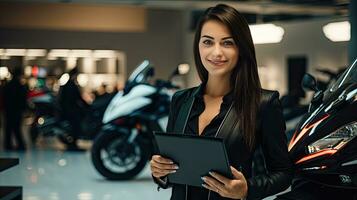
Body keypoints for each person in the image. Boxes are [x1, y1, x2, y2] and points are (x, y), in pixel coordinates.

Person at [150, 4, 293, 200]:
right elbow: (170, 168)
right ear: (198, 46)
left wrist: (247, 189)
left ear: (241, 48)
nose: (216, 53)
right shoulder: (181, 100)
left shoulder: (263, 103)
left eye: (227, 43)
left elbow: (283, 173)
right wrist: (159, 172)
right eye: (208, 42)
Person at [58, 67, 89, 150]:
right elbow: (78, 98)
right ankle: (73, 144)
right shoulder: (72, 85)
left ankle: (72, 143)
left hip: (68, 110)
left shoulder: (66, 85)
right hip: (72, 111)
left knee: (73, 127)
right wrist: (88, 106)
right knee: (75, 127)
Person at [3, 67, 28, 150]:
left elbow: (4, 98)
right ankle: (20, 145)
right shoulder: (20, 86)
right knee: (17, 128)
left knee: (8, 128)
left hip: (8, 110)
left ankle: (8, 145)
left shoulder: (8, 85)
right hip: (17, 111)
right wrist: (24, 109)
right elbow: (23, 99)